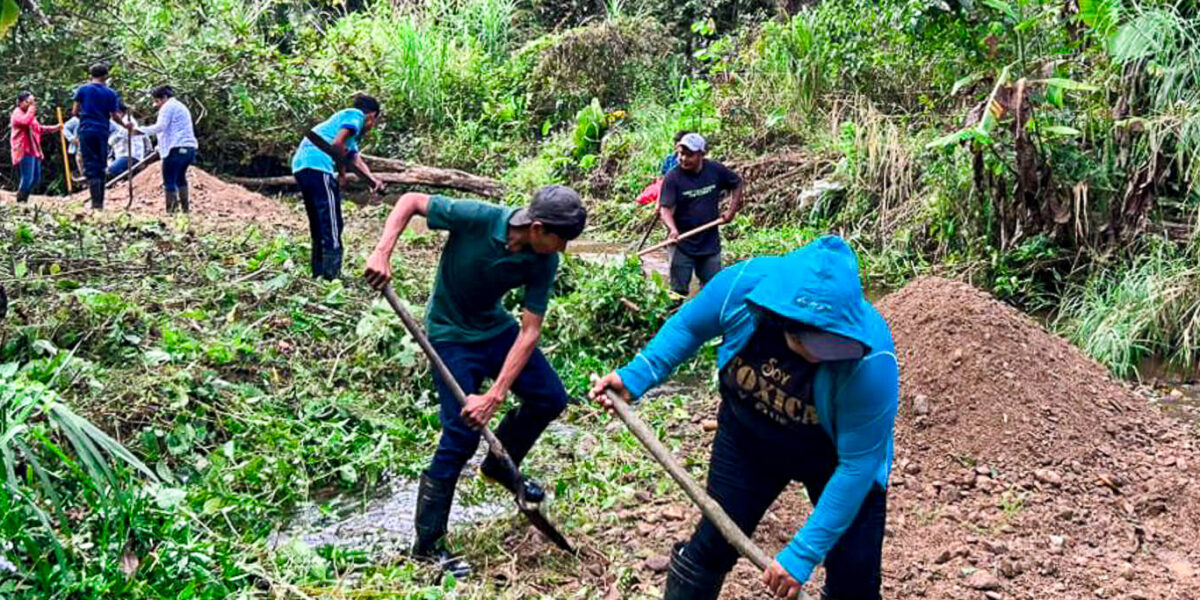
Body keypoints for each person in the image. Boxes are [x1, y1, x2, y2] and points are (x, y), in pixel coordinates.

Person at [590, 235, 898, 600]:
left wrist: (802, 555)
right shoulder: (743, 287)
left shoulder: (870, 360)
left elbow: (858, 465)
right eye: (815, 343)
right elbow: (690, 326)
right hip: (748, 442)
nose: (827, 353)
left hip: (833, 459)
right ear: (781, 320)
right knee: (714, 545)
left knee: (855, 581)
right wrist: (637, 375)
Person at [364, 186, 587, 577]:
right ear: (536, 227)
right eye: (561, 239)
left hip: (494, 329)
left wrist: (495, 394)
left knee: (549, 398)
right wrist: (383, 250)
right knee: (461, 435)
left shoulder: (542, 261)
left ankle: (502, 466)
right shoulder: (477, 217)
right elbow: (411, 201)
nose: (563, 248)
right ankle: (428, 546)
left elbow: (529, 331)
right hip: (450, 335)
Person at [292, 95, 386, 279]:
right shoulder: (355, 116)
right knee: (332, 222)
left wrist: (372, 181)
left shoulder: (347, 129)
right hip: (318, 165)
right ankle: (331, 275)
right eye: (373, 122)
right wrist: (341, 172)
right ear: (371, 116)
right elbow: (337, 144)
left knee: (318, 221)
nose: (371, 127)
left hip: (300, 166)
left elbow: (353, 158)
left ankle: (318, 272)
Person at [659, 133, 744, 297]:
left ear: (701, 155)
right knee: (677, 293)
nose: (683, 159)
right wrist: (672, 229)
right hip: (682, 243)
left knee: (712, 292)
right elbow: (665, 209)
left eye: (689, 155)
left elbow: (737, 183)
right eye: (680, 154)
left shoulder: (715, 170)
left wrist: (731, 211)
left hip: (709, 242)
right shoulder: (673, 177)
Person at [135, 86, 196, 213]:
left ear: (164, 98)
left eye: (157, 101)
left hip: (176, 148)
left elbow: (160, 127)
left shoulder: (168, 107)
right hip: (189, 148)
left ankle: (171, 213)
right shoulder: (180, 106)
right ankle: (185, 211)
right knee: (180, 178)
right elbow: (170, 130)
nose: (156, 105)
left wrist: (139, 131)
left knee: (169, 180)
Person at [72, 63, 123, 210]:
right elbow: (115, 115)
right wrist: (126, 126)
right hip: (102, 131)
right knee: (101, 164)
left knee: (89, 164)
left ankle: (95, 204)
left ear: (91, 75)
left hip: (87, 130)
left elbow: (75, 111)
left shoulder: (83, 90)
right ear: (105, 76)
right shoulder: (111, 93)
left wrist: (86, 115)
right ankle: (99, 203)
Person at [9, 92, 61, 203]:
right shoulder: (17, 113)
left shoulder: (29, 114)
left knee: (36, 178)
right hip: (24, 150)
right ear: (20, 102)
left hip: (34, 150)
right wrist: (32, 108)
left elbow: (38, 128)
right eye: (28, 102)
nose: (31, 105)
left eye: (32, 102)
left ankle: (23, 197)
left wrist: (55, 128)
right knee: (27, 178)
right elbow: (25, 121)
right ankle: (21, 200)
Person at [107, 105, 149, 178]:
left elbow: (115, 139)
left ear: (119, 112)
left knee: (110, 171)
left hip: (131, 156)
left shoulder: (128, 121)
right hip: (121, 156)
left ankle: (131, 173)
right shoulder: (117, 124)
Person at [62, 115, 84, 180]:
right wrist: (72, 139)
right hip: (80, 145)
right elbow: (64, 128)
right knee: (80, 159)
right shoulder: (75, 120)